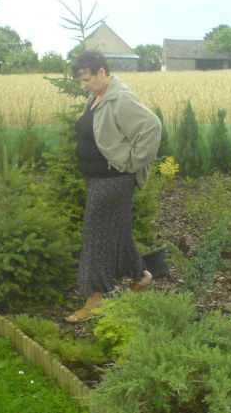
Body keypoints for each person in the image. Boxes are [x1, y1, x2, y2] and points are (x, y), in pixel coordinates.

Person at [65, 50, 162, 323]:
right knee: (116, 234)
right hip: (99, 180)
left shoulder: (120, 98)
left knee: (95, 238)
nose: (83, 85)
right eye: (80, 81)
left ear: (102, 72)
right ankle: (142, 278)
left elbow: (152, 127)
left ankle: (94, 301)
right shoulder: (97, 98)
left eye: (87, 79)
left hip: (113, 181)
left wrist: (132, 163)